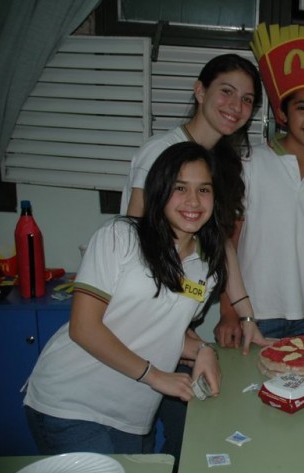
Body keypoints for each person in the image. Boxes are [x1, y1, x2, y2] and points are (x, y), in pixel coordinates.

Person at [23, 142, 265, 454]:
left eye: (204, 189)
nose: (193, 201)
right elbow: (83, 328)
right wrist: (155, 376)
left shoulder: (206, 267)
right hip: (71, 403)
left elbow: (163, 331)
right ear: (160, 190)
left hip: (133, 415)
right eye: (180, 188)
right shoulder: (120, 237)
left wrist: (203, 350)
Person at [214, 23, 304, 345]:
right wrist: (228, 311)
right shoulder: (249, 163)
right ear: (282, 114)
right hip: (256, 312)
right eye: (302, 108)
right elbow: (228, 242)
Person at [120, 53, 262, 217]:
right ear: (200, 91)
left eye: (247, 99)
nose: (237, 106)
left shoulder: (224, 161)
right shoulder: (160, 151)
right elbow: (136, 224)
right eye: (227, 91)